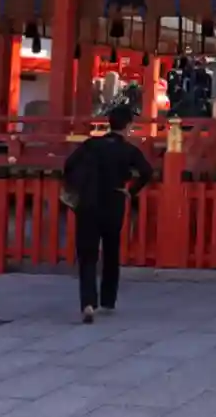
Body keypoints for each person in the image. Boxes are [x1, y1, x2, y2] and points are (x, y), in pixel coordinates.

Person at [62, 103, 154, 323]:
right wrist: (131, 190)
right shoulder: (128, 150)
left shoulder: (91, 145)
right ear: (128, 126)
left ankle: (88, 303)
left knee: (88, 254)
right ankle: (108, 299)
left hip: (88, 202)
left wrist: (77, 186)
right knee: (111, 250)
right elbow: (147, 171)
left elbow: (69, 164)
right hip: (113, 201)